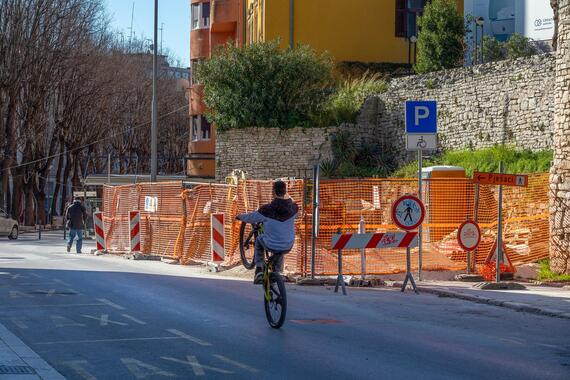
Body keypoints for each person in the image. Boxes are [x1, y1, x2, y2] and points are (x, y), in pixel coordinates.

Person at [237, 181, 298, 284]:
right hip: (288, 245)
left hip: (271, 244)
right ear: (285, 192)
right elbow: (295, 208)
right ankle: (277, 272)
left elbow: (251, 217)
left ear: (273, 192)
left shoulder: (266, 209)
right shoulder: (293, 209)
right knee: (281, 242)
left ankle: (259, 270)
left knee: (260, 240)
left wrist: (239, 216)